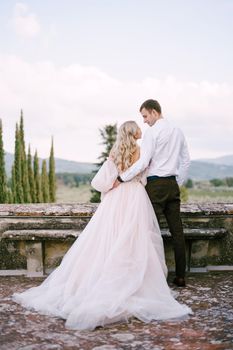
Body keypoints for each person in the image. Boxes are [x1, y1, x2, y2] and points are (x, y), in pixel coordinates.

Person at [13, 121, 191, 331]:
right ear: (134, 132)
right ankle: (135, 279)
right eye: (138, 128)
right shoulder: (142, 152)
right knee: (135, 239)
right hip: (136, 198)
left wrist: (114, 182)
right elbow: (144, 175)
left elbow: (98, 183)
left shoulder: (115, 153)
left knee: (111, 237)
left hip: (115, 200)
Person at [114, 100, 190, 287]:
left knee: (148, 231)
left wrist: (123, 178)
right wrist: (176, 182)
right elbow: (186, 161)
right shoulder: (178, 131)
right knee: (177, 232)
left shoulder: (152, 132)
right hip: (172, 185)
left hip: (155, 186)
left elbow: (143, 163)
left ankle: (150, 278)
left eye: (145, 116)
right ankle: (180, 276)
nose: (145, 121)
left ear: (154, 112)